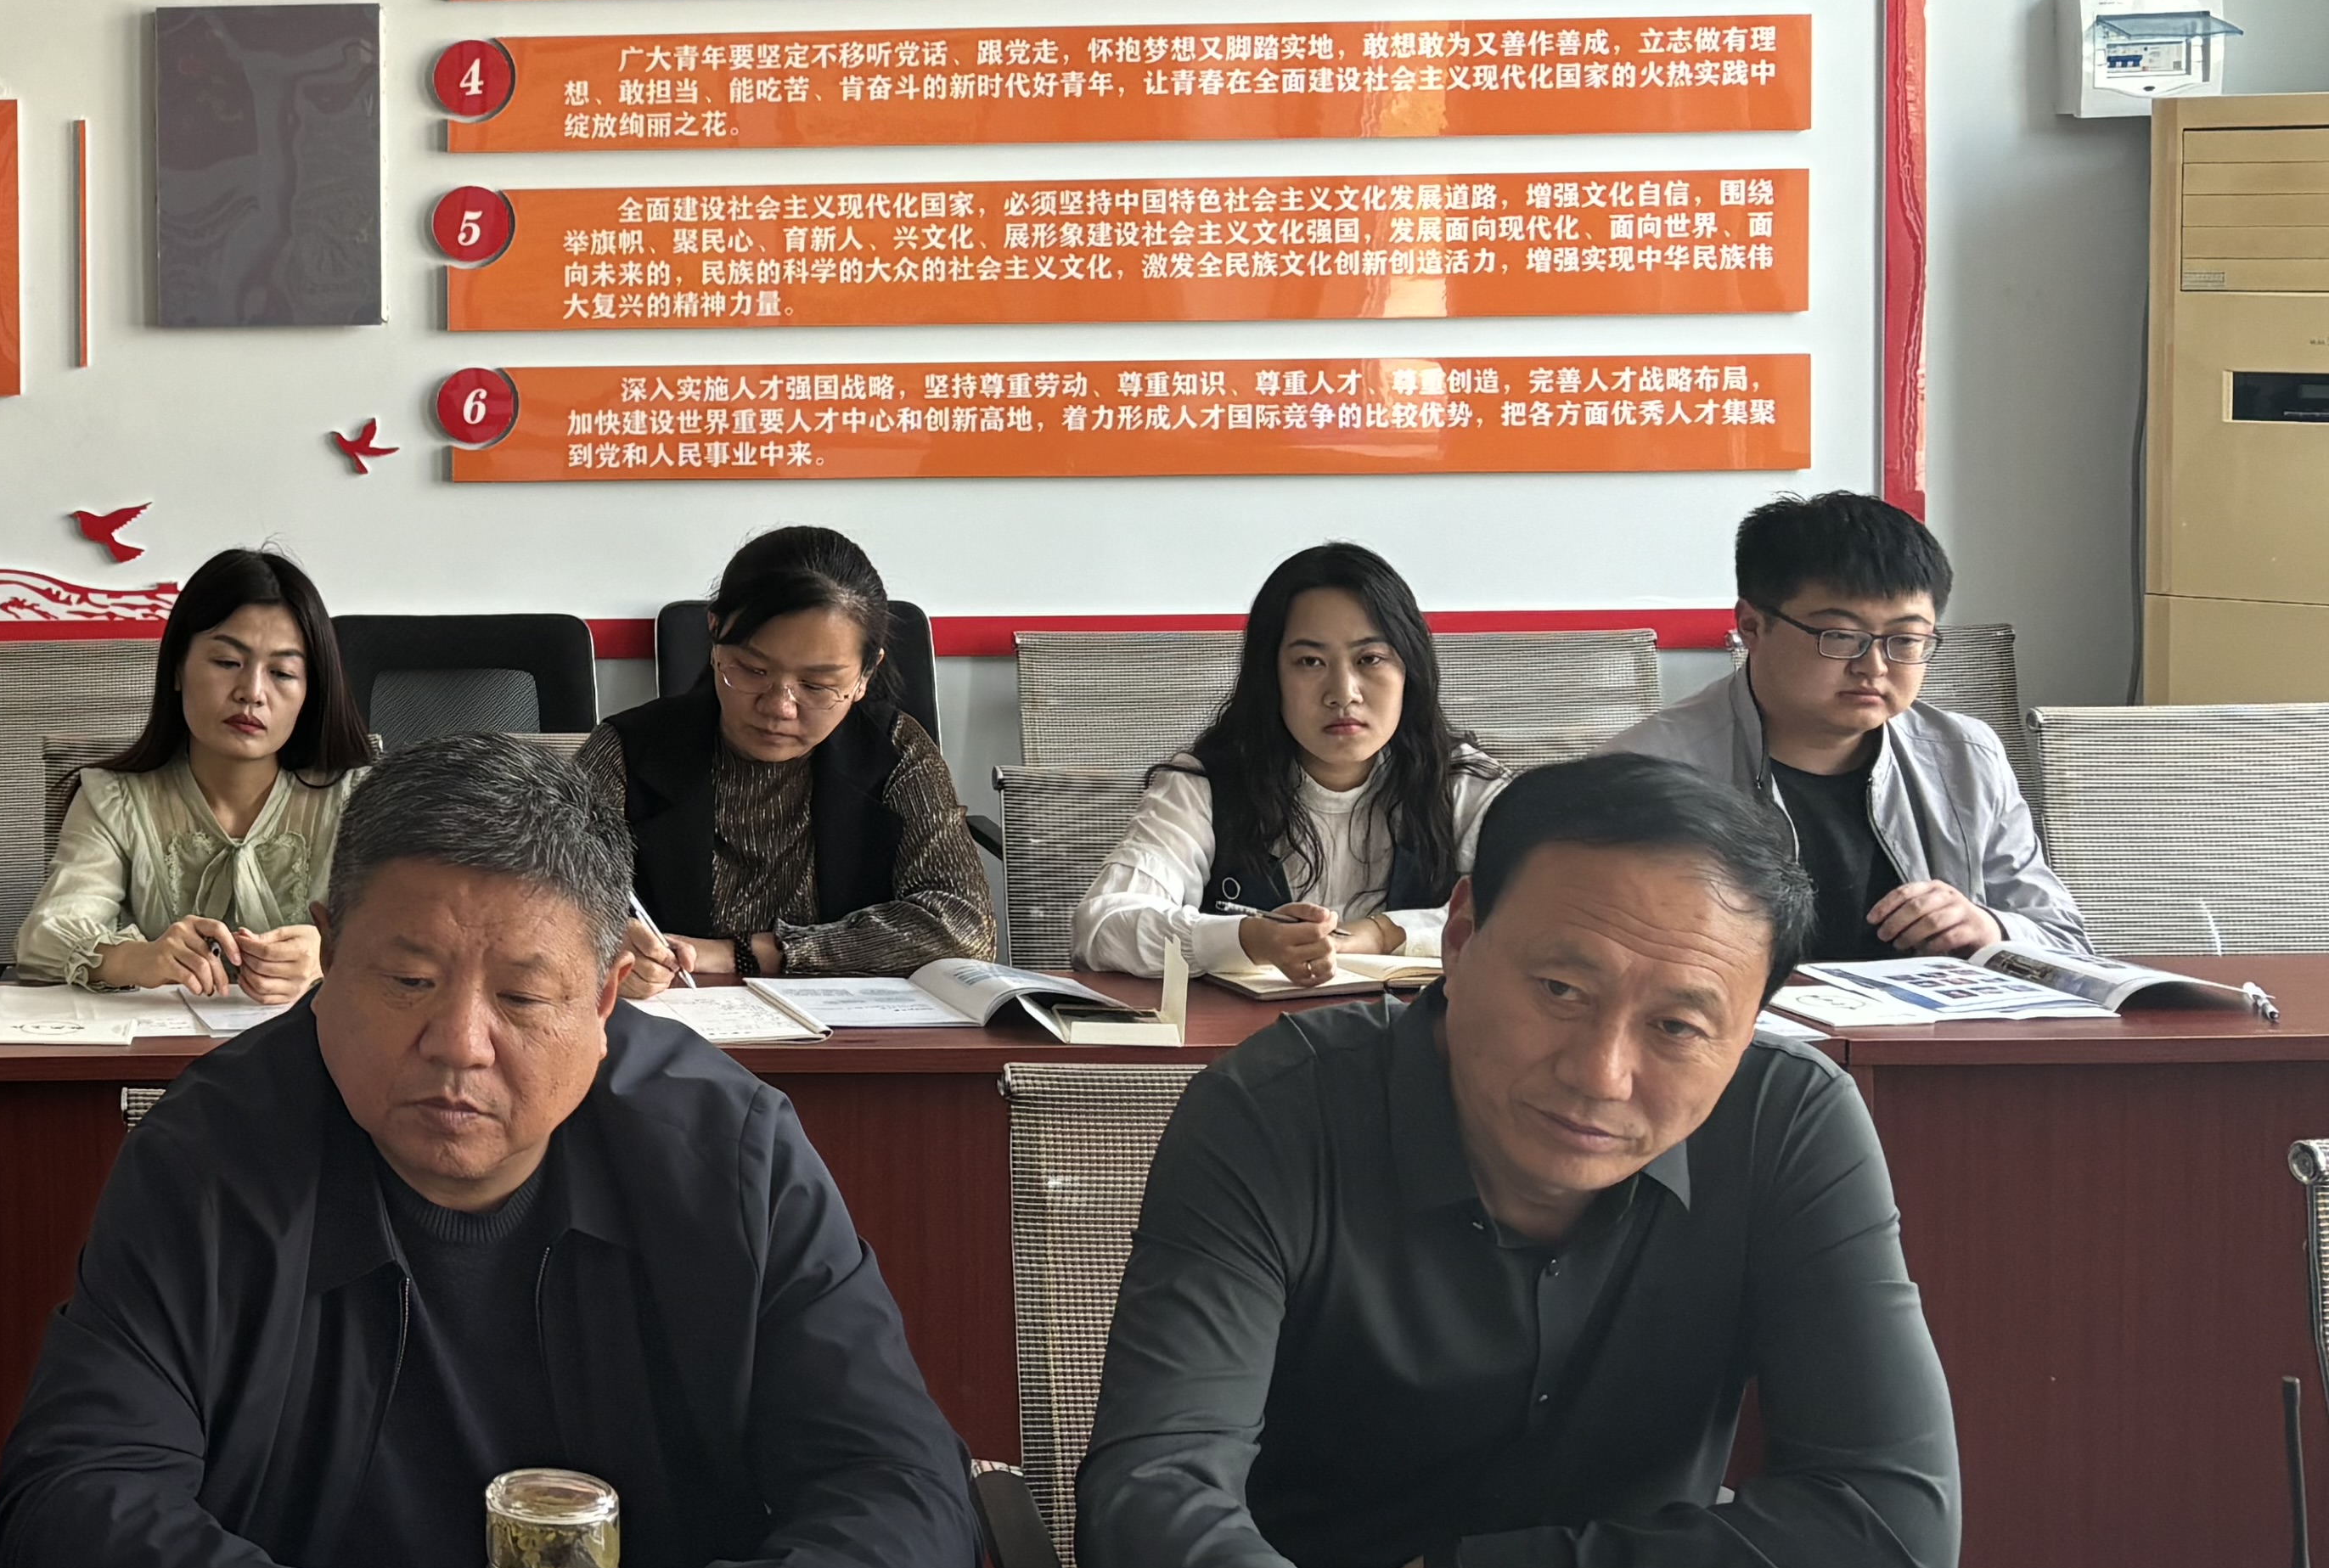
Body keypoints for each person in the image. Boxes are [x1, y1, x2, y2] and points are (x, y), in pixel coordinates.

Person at [0, 732, 982, 1568]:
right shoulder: (213, 1156)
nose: (459, 1043)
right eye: (408, 980)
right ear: (327, 958)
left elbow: (900, 1472)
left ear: (607, 999)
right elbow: (72, 1497)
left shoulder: (728, 1152)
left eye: (523, 997)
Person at [1076, 753, 1957, 1568]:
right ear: (1459, 934)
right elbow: (1149, 1489)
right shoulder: (1277, 1116)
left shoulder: (1791, 1128)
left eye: (1679, 1027)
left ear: (1750, 1029)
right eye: (1560, 991)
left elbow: (1893, 1531)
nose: (1601, 1073)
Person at [1605, 488, 2084, 969]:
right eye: (1840, 636)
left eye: (1906, 639)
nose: (1873, 666)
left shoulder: (1964, 756)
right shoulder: (1645, 775)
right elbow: (1597, 960)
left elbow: (2064, 940)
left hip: (1933, 1017)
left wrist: (1990, 928)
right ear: (1752, 627)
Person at [1079, 542, 1511, 992]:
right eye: (1310, 662)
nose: (1343, 693)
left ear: (1409, 670)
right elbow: (1101, 926)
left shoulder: (1462, 782)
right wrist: (1248, 940)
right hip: (1246, 1035)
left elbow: (1528, 917)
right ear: (1272, 677)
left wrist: (1382, 934)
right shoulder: (1206, 785)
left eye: (1369, 659)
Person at [577, 525, 990, 980]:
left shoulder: (896, 753)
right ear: (715, 634)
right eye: (753, 670)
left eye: (816, 685)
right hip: (674, 1015)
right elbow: (551, 906)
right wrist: (610, 946)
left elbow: (964, 928)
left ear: (865, 674)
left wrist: (748, 953)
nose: (779, 707)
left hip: (853, 1021)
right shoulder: (627, 752)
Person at [8, 547, 376, 1000]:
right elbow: (43, 941)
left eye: (282, 672)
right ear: (177, 669)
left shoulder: (361, 802)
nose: (252, 693)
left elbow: (424, 934)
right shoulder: (113, 800)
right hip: (158, 1045)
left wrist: (330, 954)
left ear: (310, 694)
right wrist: (139, 959)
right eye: (227, 663)